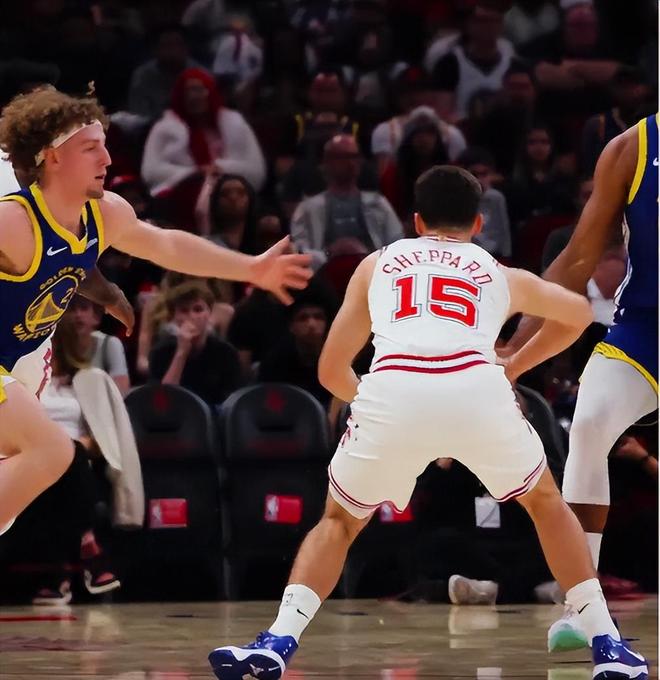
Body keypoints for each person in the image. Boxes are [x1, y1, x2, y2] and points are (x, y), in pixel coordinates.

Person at [208, 166, 647, 680]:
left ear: (415, 221)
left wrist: (375, 402)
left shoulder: (377, 264)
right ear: (478, 223)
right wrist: (513, 365)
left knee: (339, 523)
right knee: (547, 505)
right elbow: (578, 314)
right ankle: (607, 645)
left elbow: (330, 369)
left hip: (392, 390)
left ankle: (278, 641)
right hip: (476, 391)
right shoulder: (497, 271)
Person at [0, 85, 311, 535]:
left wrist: (252, 268)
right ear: (53, 157)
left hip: (17, 359)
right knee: (50, 451)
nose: (107, 159)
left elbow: (167, 245)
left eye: (105, 145)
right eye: (91, 148)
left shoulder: (104, 214)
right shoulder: (14, 224)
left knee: (13, 496)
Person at [506, 115, 658, 652]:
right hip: (645, 330)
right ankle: (581, 608)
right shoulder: (633, 148)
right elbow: (576, 258)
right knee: (589, 424)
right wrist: (512, 352)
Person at [149, 280, 241, 405]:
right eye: (184, 310)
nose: (192, 316)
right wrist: (181, 353)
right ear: (173, 316)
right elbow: (164, 401)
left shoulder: (226, 353)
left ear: (209, 313)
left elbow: (231, 404)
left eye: (198, 310)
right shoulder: (161, 352)